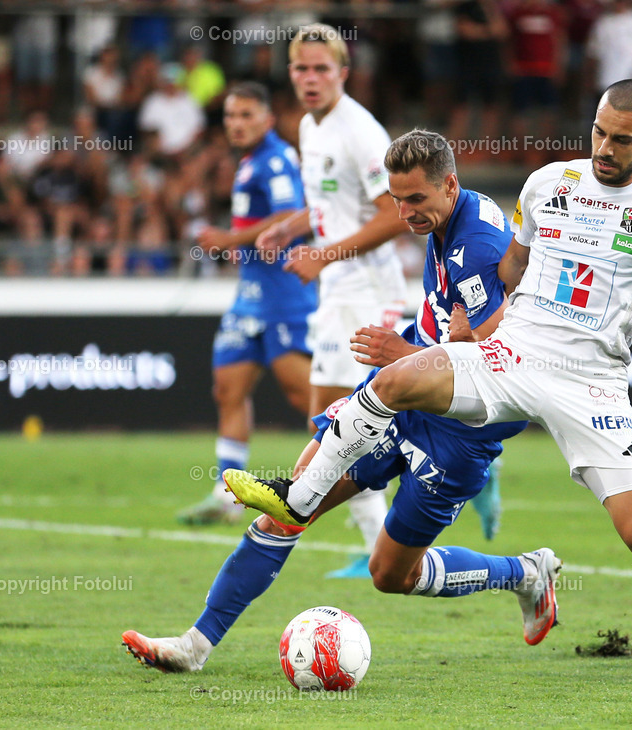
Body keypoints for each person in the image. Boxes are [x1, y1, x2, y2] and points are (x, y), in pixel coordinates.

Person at [226, 80, 632, 678]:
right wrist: (465, 312)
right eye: (599, 133)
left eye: (622, 140)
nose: (605, 148)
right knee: (397, 377)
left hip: (591, 382)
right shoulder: (548, 184)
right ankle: (297, 496)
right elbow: (514, 264)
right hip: (514, 355)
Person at [121, 130, 558, 673]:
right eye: (398, 200)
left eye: (416, 200)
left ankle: (525, 573)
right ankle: (195, 645)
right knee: (290, 511)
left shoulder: (478, 244)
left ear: (449, 184)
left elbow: (493, 349)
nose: (405, 212)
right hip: (406, 395)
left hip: (459, 432)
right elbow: (466, 324)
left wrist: (406, 351)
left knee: (391, 575)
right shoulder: (450, 219)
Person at [251, 24, 408, 577]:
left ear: (344, 71)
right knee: (332, 422)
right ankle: (373, 546)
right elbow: (329, 202)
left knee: (337, 425)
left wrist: (324, 256)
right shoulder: (308, 127)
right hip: (338, 290)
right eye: (301, 69)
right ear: (290, 73)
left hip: (368, 291)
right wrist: (291, 227)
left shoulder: (359, 130)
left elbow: (396, 213)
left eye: (322, 69)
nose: (311, 78)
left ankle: (379, 545)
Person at [177, 83, 317, 526]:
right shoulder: (250, 161)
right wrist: (239, 246)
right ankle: (225, 494)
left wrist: (228, 239)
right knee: (228, 389)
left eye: (246, 115)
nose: (236, 124)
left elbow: (291, 216)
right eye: (231, 116)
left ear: (267, 119)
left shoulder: (275, 160)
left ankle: (371, 470)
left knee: (306, 397)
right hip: (249, 294)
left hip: (282, 295)